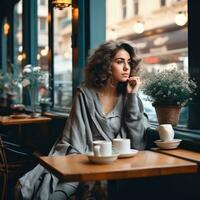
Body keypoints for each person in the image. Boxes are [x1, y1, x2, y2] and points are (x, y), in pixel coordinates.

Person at [16, 40, 150, 199]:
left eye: (129, 62)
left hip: (118, 165)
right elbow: (74, 139)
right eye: (120, 62)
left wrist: (133, 95)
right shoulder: (85, 94)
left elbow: (139, 142)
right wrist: (87, 166)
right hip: (83, 160)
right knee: (55, 194)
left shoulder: (128, 97)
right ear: (105, 65)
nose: (127, 67)